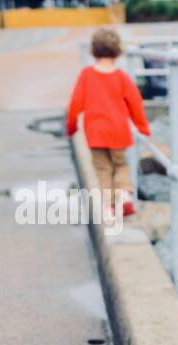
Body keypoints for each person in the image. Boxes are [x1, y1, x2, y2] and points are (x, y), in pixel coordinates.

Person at [65, 28, 151, 219]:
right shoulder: (121, 77)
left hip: (95, 134)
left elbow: (75, 103)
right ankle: (124, 195)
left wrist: (71, 127)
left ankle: (109, 208)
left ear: (93, 51)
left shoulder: (86, 75)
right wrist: (142, 126)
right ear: (117, 51)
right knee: (120, 165)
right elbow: (135, 102)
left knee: (102, 169)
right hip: (118, 132)